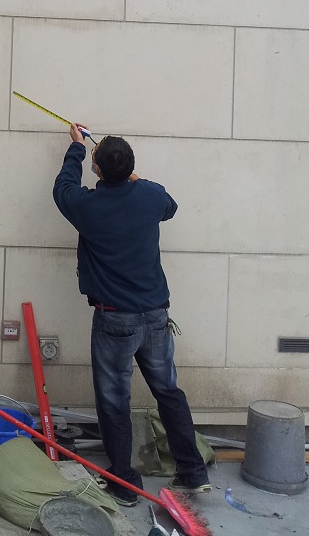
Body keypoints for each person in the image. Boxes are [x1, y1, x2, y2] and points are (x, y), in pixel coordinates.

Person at [52, 124, 211, 507]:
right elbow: (170, 205)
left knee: (113, 400)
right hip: (155, 316)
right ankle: (193, 472)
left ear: (97, 169)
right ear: (130, 167)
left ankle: (124, 482)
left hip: (115, 322)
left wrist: (77, 147)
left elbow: (62, 189)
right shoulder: (150, 196)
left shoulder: (88, 206)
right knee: (168, 392)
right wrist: (130, 175)